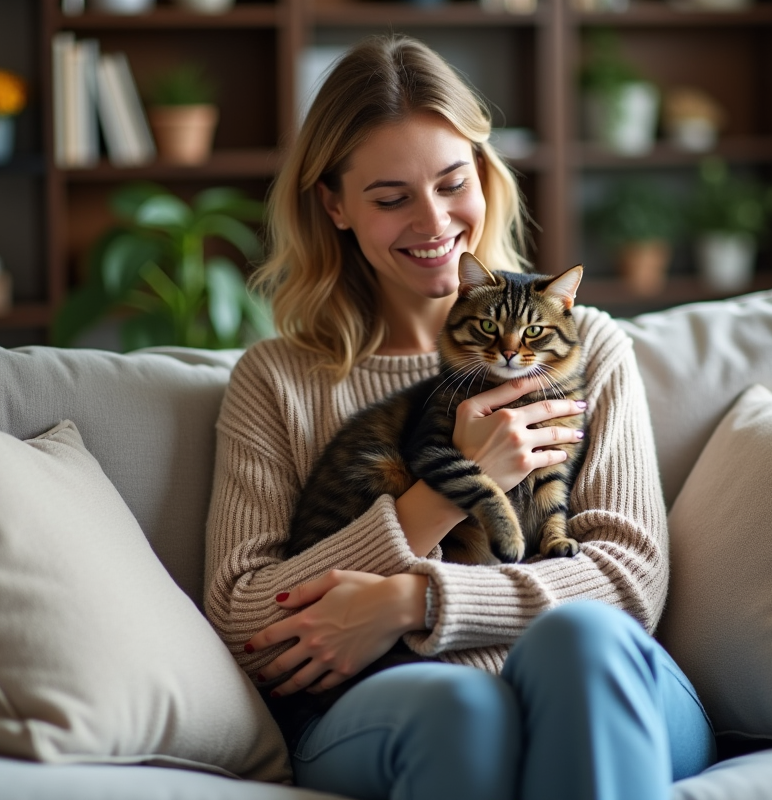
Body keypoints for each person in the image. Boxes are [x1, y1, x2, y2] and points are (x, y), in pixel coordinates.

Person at [204, 34, 715, 800]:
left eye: (453, 182)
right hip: (398, 701)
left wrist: (414, 601)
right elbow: (248, 613)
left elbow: (628, 579)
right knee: (462, 706)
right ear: (335, 205)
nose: (435, 220)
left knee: (579, 640)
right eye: (390, 197)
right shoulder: (279, 381)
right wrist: (441, 496)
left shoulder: (587, 346)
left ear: (485, 174)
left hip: (600, 682)